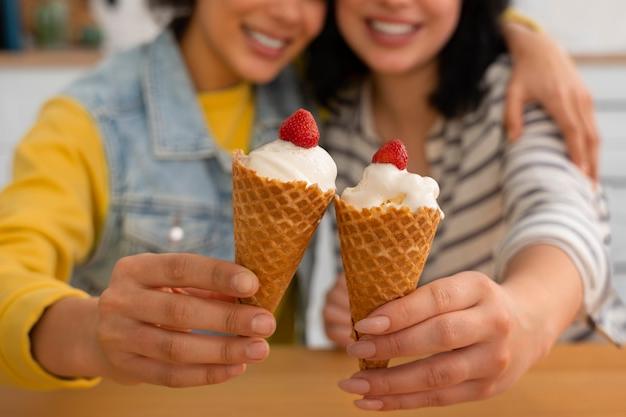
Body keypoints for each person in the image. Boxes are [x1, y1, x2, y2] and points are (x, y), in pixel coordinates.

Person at [0, 0, 606, 392]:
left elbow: (558, 212)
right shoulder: (89, 122)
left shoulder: (316, 90)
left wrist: (523, 36)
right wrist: (87, 333)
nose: (287, 12)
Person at [309, 0, 626, 411]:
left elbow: (562, 215)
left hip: (568, 390)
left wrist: (526, 312)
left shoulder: (517, 91)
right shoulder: (337, 123)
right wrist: (355, 317)